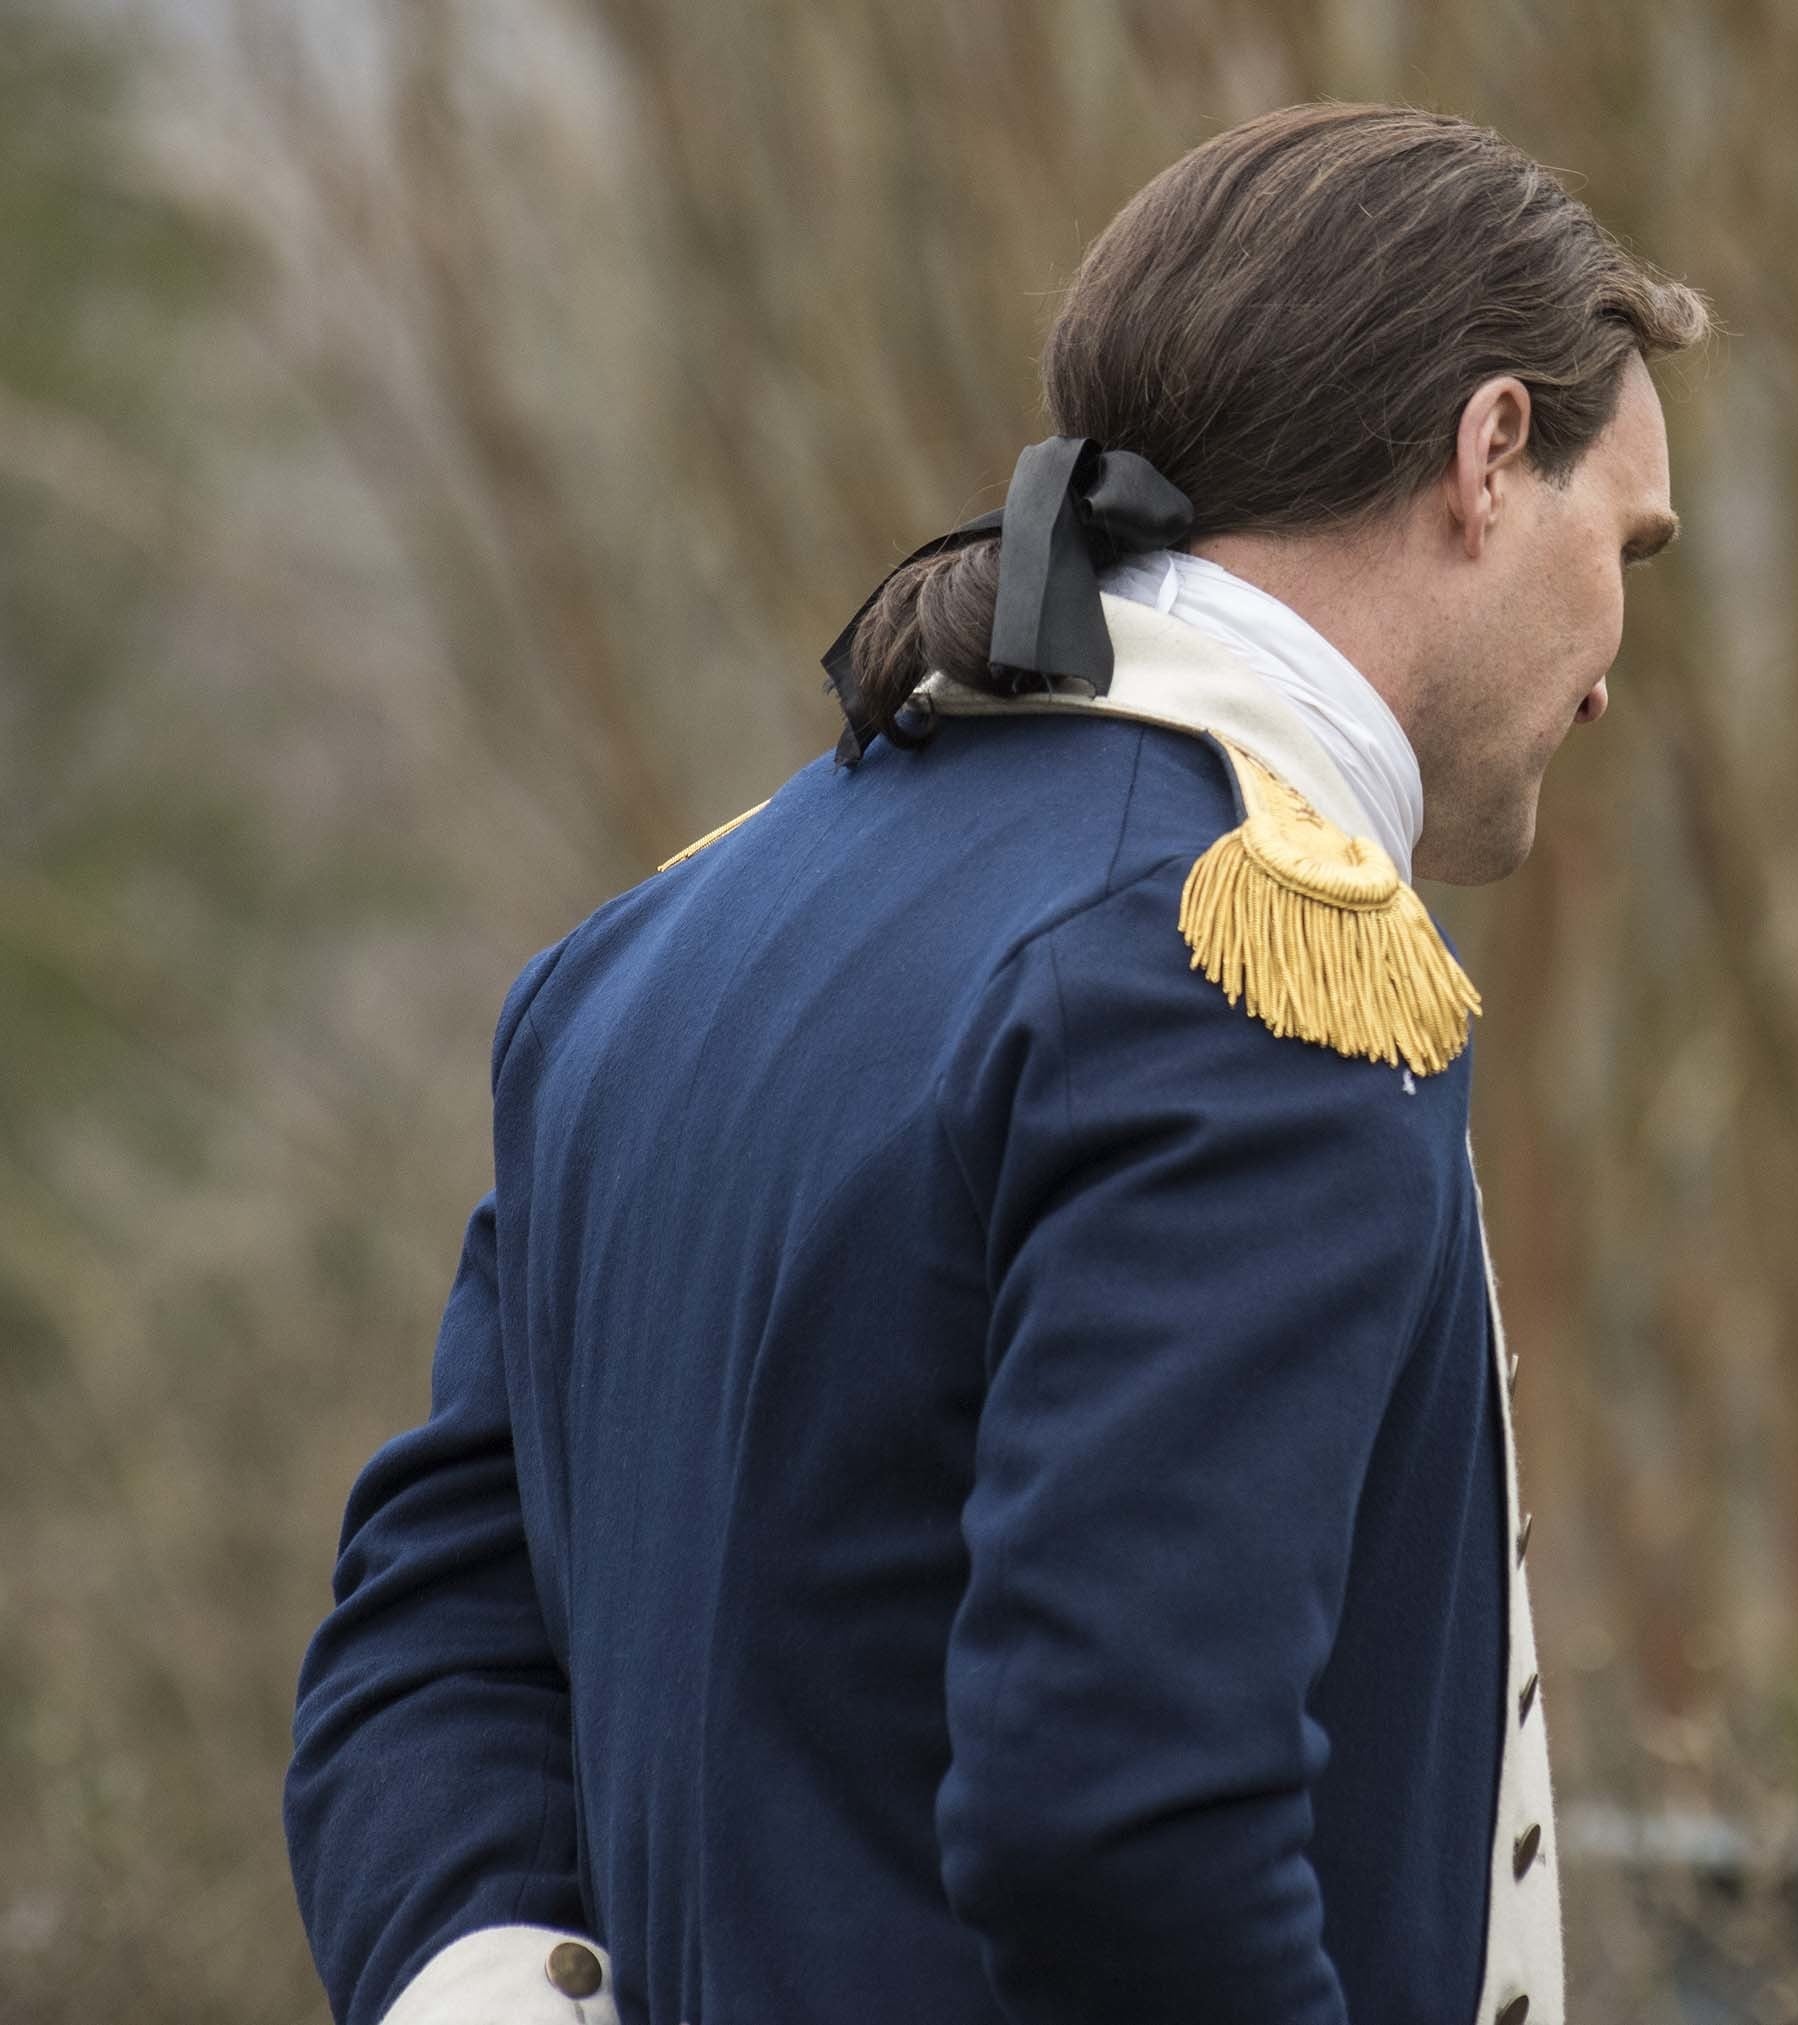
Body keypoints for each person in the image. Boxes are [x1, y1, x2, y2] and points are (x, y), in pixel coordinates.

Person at [284, 104, 1704, 2025]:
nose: (1613, 669)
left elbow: (426, 1662)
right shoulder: (1255, 959)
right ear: (1489, 454)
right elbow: (1129, 1827)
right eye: (1628, 547)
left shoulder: (660, 945)